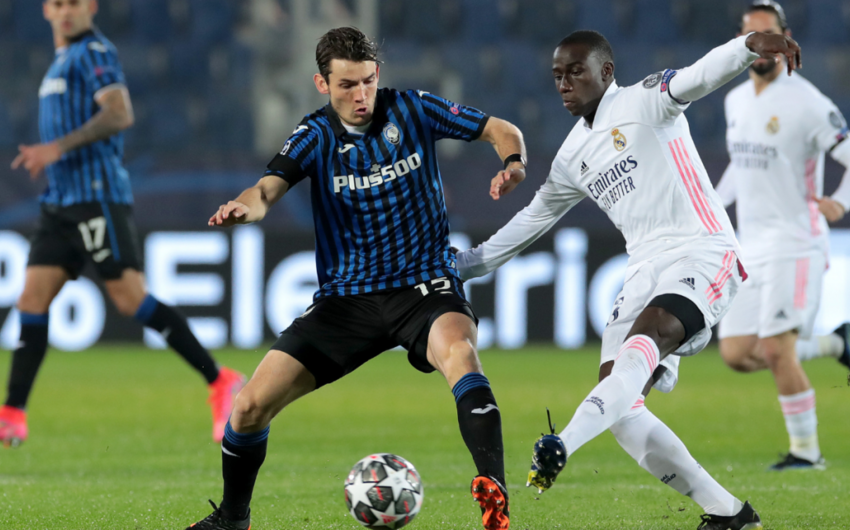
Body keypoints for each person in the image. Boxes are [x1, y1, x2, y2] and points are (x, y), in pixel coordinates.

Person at [457, 28, 801, 530]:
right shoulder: (572, 155)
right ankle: (729, 513)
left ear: (606, 71)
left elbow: (699, 76)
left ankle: (562, 443)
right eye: (557, 75)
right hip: (643, 267)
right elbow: (534, 219)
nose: (564, 83)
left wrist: (746, 45)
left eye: (575, 71)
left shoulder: (646, 99)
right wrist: (465, 265)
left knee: (648, 337)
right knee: (620, 405)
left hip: (702, 249)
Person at [187, 27, 527, 530]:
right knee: (249, 408)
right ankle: (233, 520)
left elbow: (502, 129)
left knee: (460, 354)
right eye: (347, 85)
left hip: (422, 285)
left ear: (378, 74)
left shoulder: (413, 108)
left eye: (368, 81)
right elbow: (265, 190)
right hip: (346, 301)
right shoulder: (314, 135)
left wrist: (513, 162)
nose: (361, 94)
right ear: (322, 84)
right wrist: (244, 208)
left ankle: (493, 493)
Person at [0, 0, 245, 447]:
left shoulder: (94, 52)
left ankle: (220, 379)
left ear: (91, 7)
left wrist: (57, 148)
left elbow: (119, 113)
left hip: (97, 198)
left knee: (131, 299)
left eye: (75, 3)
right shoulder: (59, 61)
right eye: (58, 4)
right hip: (60, 204)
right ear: (46, 10)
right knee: (31, 300)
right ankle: (12, 413)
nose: (67, 12)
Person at [714, 0, 850, 471]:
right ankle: (837, 344)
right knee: (736, 352)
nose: (761, 47)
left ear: (786, 40)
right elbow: (740, 164)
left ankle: (806, 453)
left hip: (796, 242)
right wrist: (712, 207)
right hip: (751, 245)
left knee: (775, 347)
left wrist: (841, 202)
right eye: (751, 38)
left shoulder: (808, 102)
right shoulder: (735, 100)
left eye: (770, 37)